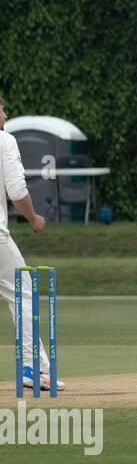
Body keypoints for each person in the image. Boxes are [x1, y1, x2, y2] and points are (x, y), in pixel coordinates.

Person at [0, 94, 64, 392]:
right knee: (23, 292)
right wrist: (34, 218)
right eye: (1, 107)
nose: (5, 112)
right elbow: (15, 188)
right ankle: (32, 367)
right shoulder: (4, 140)